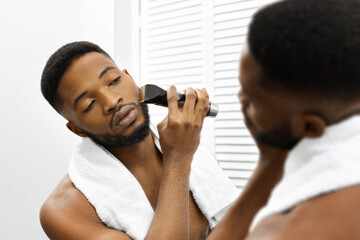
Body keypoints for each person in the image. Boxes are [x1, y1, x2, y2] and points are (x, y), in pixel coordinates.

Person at [39, 42, 238, 240]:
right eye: (89, 104)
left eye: (114, 81)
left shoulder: (197, 156)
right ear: (77, 129)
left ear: (130, 77)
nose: (111, 101)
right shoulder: (64, 211)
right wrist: (178, 158)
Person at [205, 0, 360, 239]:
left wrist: (269, 162)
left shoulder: (288, 230)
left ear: (309, 126)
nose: (240, 98)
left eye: (251, 96)